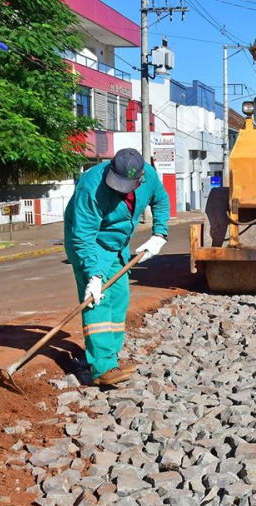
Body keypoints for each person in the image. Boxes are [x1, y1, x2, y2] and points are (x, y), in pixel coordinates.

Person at [64, 148, 170, 385]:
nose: (120, 189)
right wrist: (93, 275)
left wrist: (159, 233)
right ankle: (102, 367)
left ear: (141, 177)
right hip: (90, 244)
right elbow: (83, 236)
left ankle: (111, 358)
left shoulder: (150, 177)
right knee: (97, 301)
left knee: (120, 297)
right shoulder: (91, 187)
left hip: (119, 245)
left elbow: (161, 200)